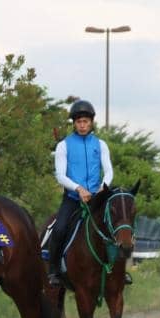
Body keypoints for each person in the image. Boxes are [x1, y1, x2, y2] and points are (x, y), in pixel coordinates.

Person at [48, 100, 114, 287]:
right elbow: (60, 176)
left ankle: (118, 270)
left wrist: (103, 186)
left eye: (85, 121)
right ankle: (53, 271)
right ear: (74, 123)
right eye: (79, 122)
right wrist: (78, 189)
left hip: (97, 198)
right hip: (73, 199)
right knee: (59, 229)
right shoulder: (63, 145)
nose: (82, 125)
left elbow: (108, 171)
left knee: (117, 225)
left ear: (91, 122)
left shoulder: (100, 144)